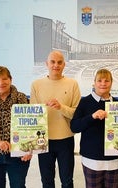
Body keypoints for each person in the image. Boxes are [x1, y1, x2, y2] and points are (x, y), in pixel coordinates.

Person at [70, 69, 118, 188]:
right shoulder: (85, 102)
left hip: (114, 160)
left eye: (107, 80)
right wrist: (92, 117)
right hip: (92, 159)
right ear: (94, 83)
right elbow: (74, 127)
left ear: (111, 83)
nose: (103, 83)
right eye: (100, 80)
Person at [30, 50, 81, 188]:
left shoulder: (72, 84)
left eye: (59, 62)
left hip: (66, 140)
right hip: (43, 140)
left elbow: (77, 114)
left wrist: (61, 107)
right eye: (52, 62)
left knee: (67, 180)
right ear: (47, 63)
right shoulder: (36, 85)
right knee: (47, 181)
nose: (56, 65)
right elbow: (32, 116)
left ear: (64, 65)